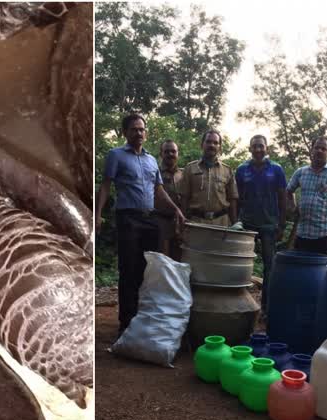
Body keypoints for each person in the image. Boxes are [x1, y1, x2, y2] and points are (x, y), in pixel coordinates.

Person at [95, 113, 186, 333]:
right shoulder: (116, 155)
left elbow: (159, 190)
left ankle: (144, 319)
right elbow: (106, 185)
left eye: (142, 129)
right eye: (134, 129)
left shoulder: (151, 160)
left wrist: (176, 210)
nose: (139, 133)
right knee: (129, 270)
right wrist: (97, 214)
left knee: (149, 270)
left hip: (149, 218)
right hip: (128, 218)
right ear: (125, 132)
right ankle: (126, 324)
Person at [235, 135, 287, 312]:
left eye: (261, 146)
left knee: (269, 266)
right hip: (247, 224)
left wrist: (282, 224)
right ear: (249, 149)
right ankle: (239, 302)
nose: (258, 149)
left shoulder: (277, 170)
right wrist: (236, 221)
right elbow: (237, 198)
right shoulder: (242, 170)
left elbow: (282, 198)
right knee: (241, 262)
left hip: (269, 225)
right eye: (254, 146)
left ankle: (266, 307)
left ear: (267, 148)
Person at [286, 136, 327, 255]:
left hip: (326, 236)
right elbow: (288, 191)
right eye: (316, 148)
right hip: (302, 233)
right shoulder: (301, 172)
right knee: (301, 269)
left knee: (321, 272)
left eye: (323, 149)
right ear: (311, 150)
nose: (319, 151)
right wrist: (293, 207)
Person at [180, 129, 238, 227]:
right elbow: (184, 198)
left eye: (215, 143)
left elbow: (232, 199)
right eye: (208, 142)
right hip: (196, 222)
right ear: (202, 144)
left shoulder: (227, 170)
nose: (212, 145)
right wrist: (183, 222)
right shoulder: (190, 168)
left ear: (219, 147)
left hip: (221, 223)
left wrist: (234, 224)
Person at [156, 139, 184, 260]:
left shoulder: (184, 174)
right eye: (167, 151)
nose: (170, 154)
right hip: (161, 222)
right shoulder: (155, 173)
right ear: (161, 154)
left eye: (173, 151)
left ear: (178, 153)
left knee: (180, 259)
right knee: (164, 260)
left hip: (180, 223)